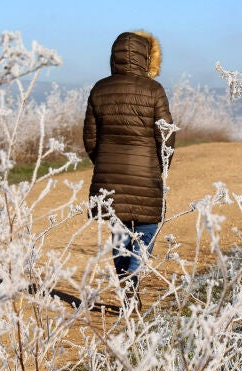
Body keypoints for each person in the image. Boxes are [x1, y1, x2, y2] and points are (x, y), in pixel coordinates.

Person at [83, 30, 175, 308]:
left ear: (114, 57)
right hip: (145, 173)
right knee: (146, 230)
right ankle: (133, 276)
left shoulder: (100, 89)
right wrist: (161, 165)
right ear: (146, 58)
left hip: (109, 177)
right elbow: (167, 135)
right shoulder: (153, 90)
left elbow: (90, 137)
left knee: (119, 232)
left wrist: (104, 163)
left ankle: (126, 285)